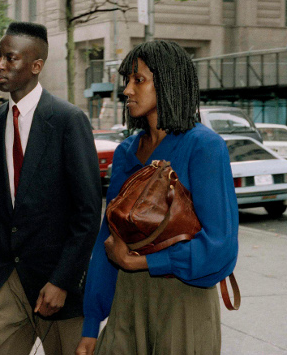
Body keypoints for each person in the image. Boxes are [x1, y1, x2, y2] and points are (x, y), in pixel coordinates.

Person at [76, 40, 239, 355]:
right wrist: (91, 324)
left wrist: (143, 262)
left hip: (183, 302)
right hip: (126, 301)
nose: (127, 90)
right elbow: (107, 241)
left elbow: (220, 247)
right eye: (127, 80)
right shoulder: (126, 151)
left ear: (167, 83)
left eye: (138, 80)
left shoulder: (204, 147)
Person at [0, 22, 102, 355]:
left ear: (36, 65)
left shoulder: (67, 120)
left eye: (10, 58)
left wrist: (62, 281)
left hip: (56, 283)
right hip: (4, 279)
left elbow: (88, 212)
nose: (0, 65)